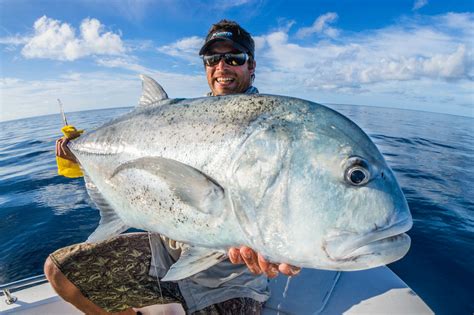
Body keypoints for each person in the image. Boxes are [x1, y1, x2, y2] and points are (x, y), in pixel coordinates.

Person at [46, 20, 300, 315]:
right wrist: (82, 154)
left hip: (228, 281)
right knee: (60, 272)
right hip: (166, 252)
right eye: (212, 59)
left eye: (234, 57)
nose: (222, 66)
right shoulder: (179, 118)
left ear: (251, 65)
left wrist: (289, 250)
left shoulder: (271, 128)